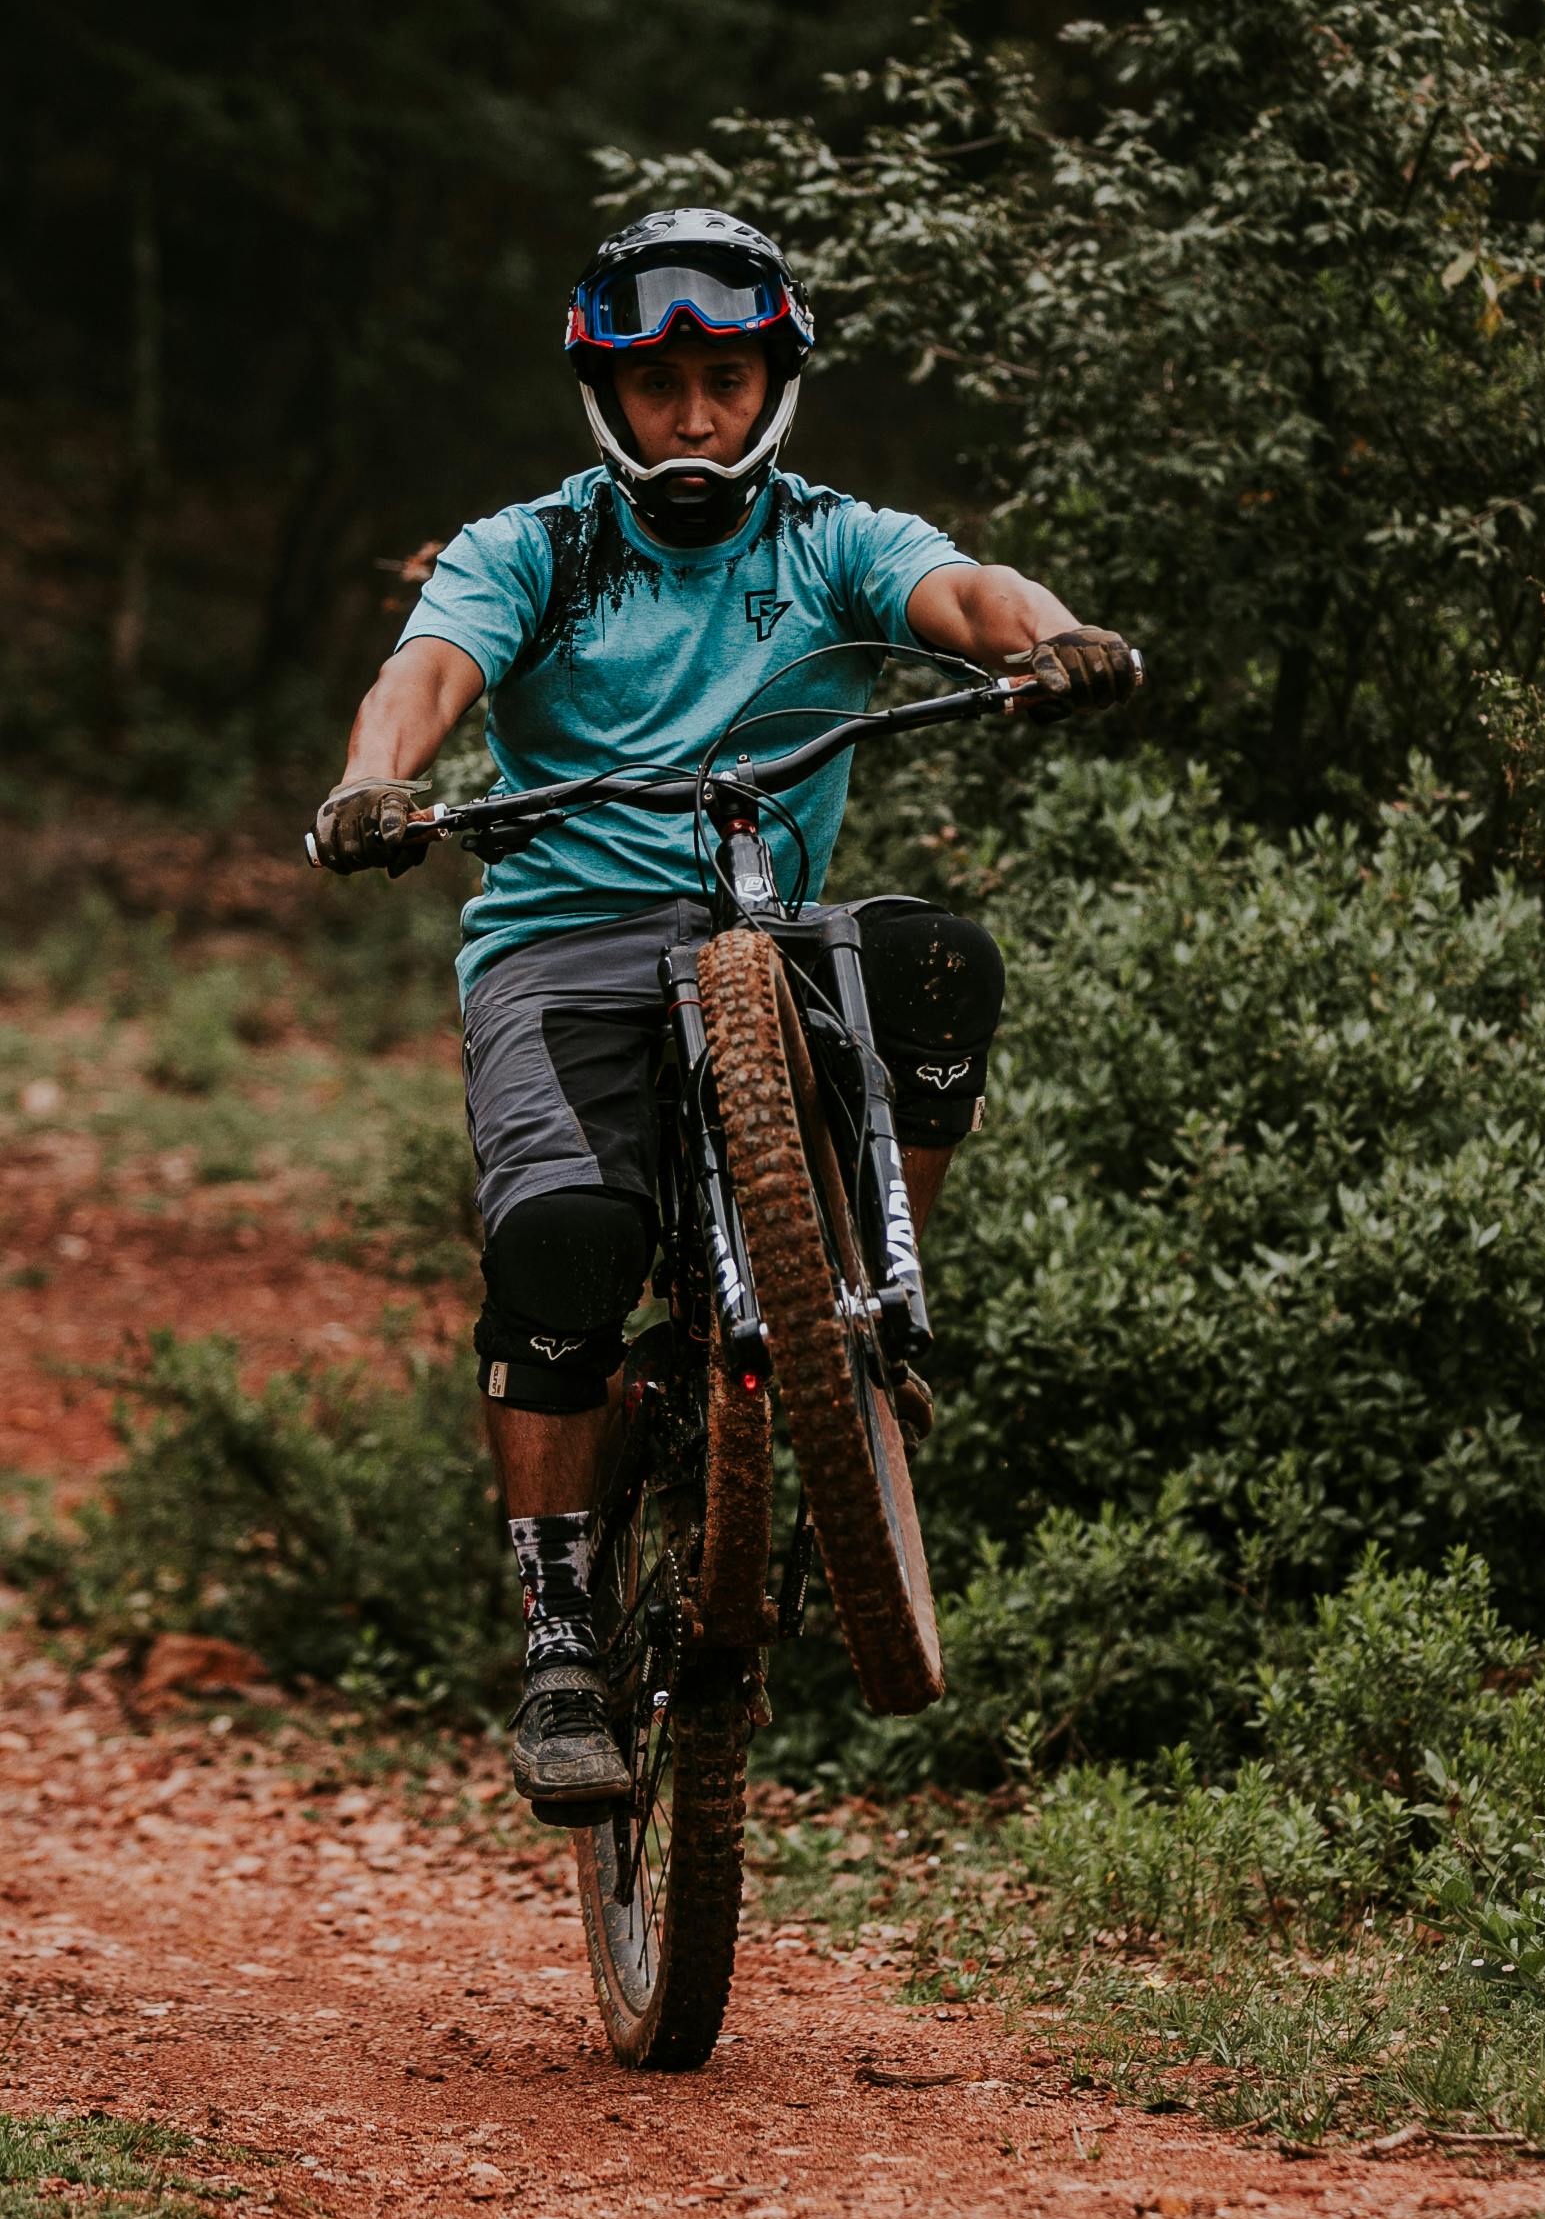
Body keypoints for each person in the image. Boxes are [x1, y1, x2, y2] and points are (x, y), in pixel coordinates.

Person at [313, 208, 1138, 1816]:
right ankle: (561, 1632)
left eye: (729, 380)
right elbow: (421, 679)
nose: (695, 416)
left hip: (768, 924)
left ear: (777, 386)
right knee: (561, 1245)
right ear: (605, 399)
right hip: (566, 948)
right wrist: (374, 783)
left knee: (940, 958)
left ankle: (869, 1328)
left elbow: (967, 594)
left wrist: (1048, 640)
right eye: (661, 384)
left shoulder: (831, 538)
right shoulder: (534, 549)